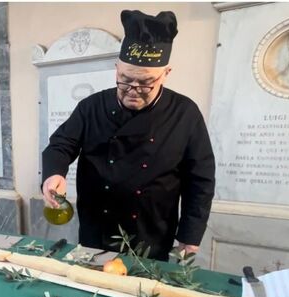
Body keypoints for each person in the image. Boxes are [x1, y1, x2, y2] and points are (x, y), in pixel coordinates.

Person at [41, 10, 215, 261]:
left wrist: (190, 234)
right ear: (116, 69)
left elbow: (200, 179)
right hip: (96, 229)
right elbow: (61, 144)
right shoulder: (92, 107)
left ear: (166, 73)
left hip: (151, 234)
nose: (133, 90)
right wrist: (54, 173)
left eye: (145, 83)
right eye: (125, 80)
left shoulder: (184, 113)